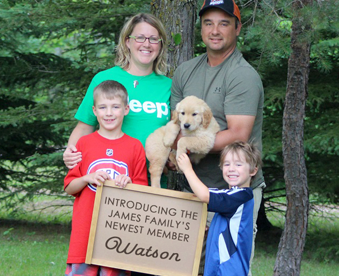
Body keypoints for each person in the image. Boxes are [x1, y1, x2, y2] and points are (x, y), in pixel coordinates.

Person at [170, 0, 265, 275]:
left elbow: (238, 135)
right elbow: (176, 126)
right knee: (187, 268)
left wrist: (185, 147)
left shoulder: (242, 76)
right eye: (208, 23)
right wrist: (173, 153)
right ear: (201, 29)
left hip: (233, 195)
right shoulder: (185, 71)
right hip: (193, 188)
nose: (215, 30)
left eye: (224, 23)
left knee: (226, 268)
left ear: (237, 28)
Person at [63, 13, 172, 189]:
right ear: (127, 42)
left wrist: (171, 157)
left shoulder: (168, 86)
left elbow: (176, 132)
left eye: (153, 39)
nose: (147, 44)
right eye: (140, 37)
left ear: (160, 45)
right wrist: (71, 152)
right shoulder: (104, 79)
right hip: (107, 180)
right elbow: (84, 127)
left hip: (152, 182)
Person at [64, 80, 148, 276]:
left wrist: (128, 183)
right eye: (103, 107)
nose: (109, 113)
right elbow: (69, 187)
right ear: (94, 110)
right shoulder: (84, 143)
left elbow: (142, 195)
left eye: (115, 107)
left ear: (126, 109)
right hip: (84, 237)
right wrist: (87, 178)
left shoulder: (135, 146)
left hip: (117, 239)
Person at [176, 141, 262, 276]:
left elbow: (204, 195)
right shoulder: (232, 196)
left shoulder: (240, 196)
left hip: (228, 270)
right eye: (227, 164)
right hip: (219, 269)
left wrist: (187, 169)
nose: (231, 168)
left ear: (253, 170)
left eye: (238, 164)